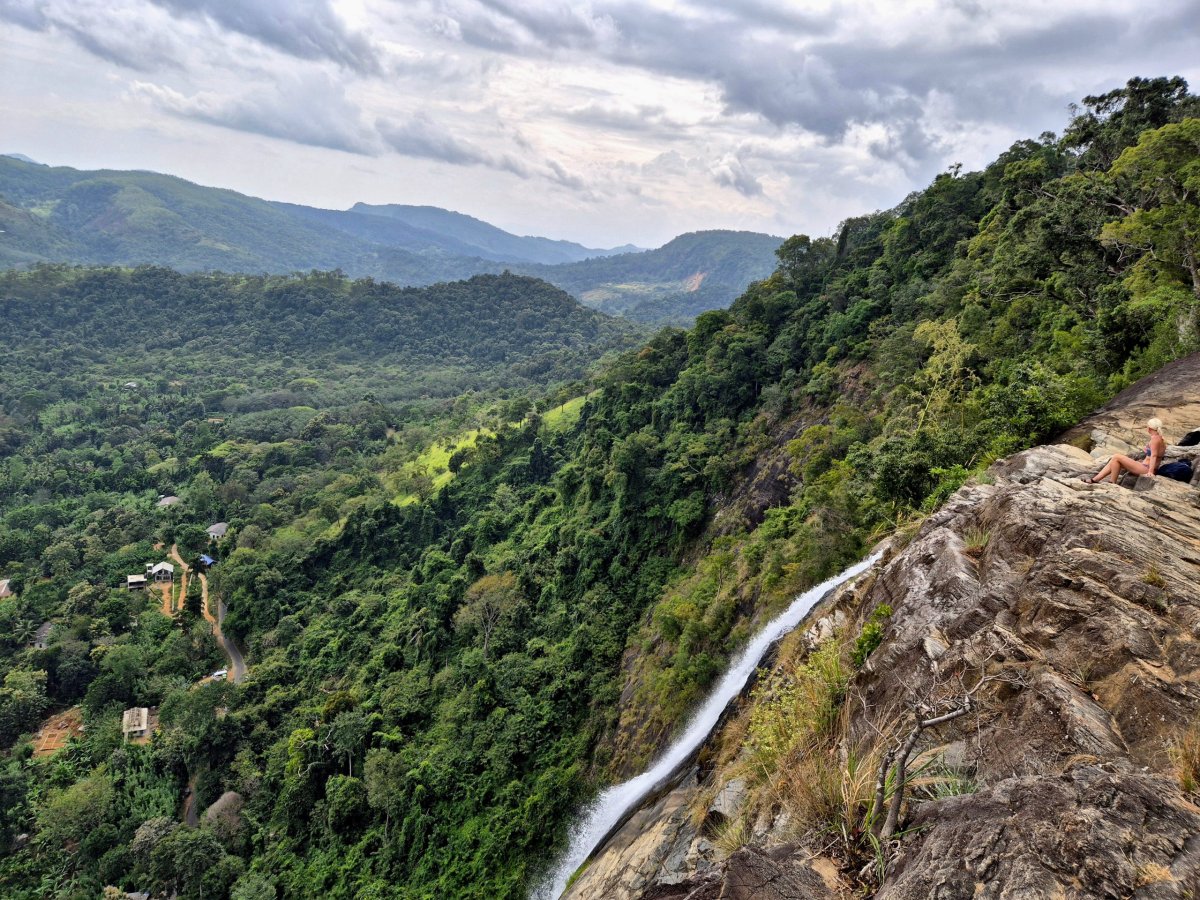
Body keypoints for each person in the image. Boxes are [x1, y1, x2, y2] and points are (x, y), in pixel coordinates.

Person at [1083, 417, 1167, 484]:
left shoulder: (1155, 439)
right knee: (1115, 461)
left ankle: (1108, 481)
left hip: (1146, 469)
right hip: (1144, 466)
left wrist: (1150, 472)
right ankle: (1099, 480)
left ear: (1149, 428)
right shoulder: (1159, 438)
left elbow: (1154, 456)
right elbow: (1154, 455)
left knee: (1116, 457)